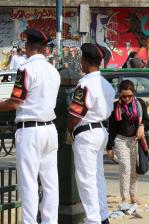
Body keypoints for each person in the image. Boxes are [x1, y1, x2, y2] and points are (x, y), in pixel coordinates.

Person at [0, 29, 60, 223]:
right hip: (50, 129)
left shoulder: (26, 70)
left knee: (28, 183)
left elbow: (14, 102)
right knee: (50, 183)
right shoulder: (53, 71)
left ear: (27, 47)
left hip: (30, 131)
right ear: (43, 49)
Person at [68, 43, 115, 224]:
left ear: (85, 60)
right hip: (100, 131)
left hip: (86, 134)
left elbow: (75, 113)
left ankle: (93, 220)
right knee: (97, 178)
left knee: (86, 181)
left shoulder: (85, 84)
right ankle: (102, 216)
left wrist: (69, 129)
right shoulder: (106, 85)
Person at [106, 80, 149, 204]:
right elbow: (112, 128)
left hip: (135, 140)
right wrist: (109, 147)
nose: (126, 98)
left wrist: (142, 126)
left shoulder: (140, 104)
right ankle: (124, 197)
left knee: (134, 170)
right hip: (120, 140)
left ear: (134, 93)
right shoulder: (115, 107)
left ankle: (133, 195)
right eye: (123, 96)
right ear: (119, 94)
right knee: (125, 167)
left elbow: (146, 121)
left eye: (129, 96)